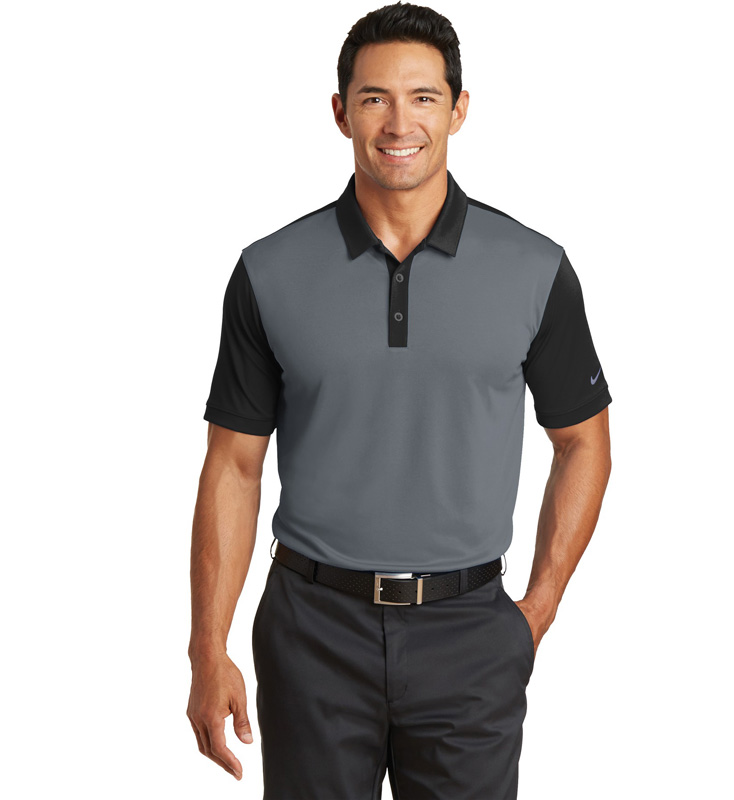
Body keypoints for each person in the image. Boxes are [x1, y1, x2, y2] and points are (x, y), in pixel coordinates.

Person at [186, 3, 613, 798]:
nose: (398, 122)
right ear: (340, 111)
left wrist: (538, 609)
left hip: (470, 630)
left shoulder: (534, 268)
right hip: (312, 630)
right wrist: (207, 649)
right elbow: (234, 467)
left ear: (459, 109)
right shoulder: (269, 272)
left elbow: (584, 440)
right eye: (374, 97)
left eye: (422, 97)